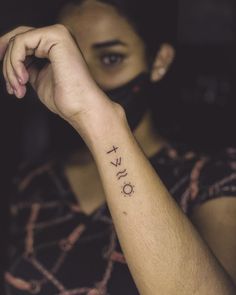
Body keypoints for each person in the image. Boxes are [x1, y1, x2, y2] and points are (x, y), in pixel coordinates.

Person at [0, 0, 236, 294]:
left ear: (159, 60)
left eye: (111, 58)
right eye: (74, 62)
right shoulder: (33, 182)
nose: (86, 80)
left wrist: (98, 116)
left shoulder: (214, 178)